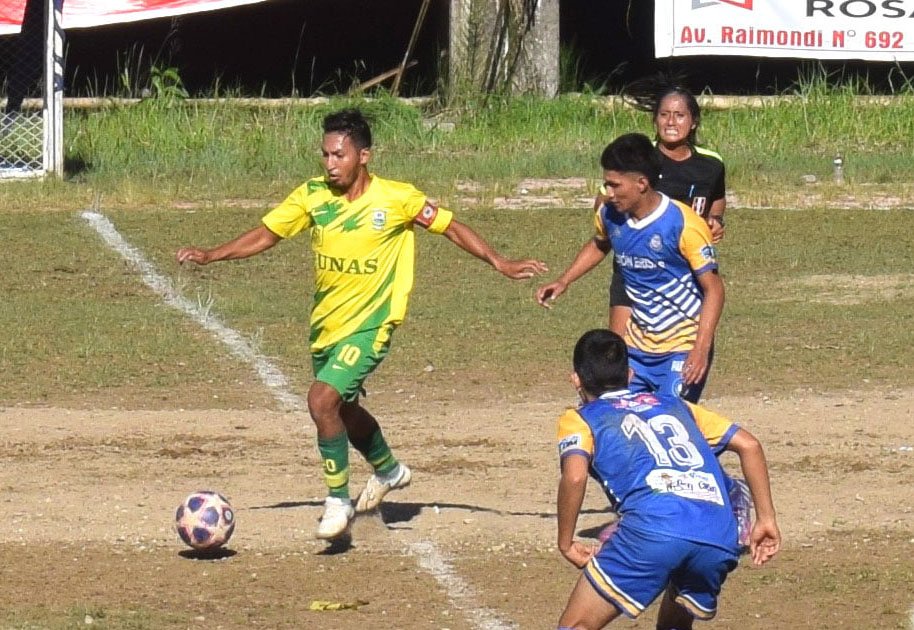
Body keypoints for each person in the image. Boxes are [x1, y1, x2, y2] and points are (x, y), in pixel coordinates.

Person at [176, 108, 547, 540]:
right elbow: (266, 234)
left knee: (321, 400)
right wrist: (210, 254)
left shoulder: (397, 199)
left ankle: (337, 500)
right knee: (342, 410)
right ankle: (389, 470)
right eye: (325, 155)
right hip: (326, 326)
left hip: (372, 324)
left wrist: (499, 261)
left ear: (364, 155)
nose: (330, 164)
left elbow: (451, 227)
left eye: (339, 155)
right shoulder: (312, 196)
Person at [555, 329, 780, 630]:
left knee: (577, 625)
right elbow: (749, 445)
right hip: (718, 532)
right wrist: (765, 519)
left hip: (654, 531)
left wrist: (566, 542)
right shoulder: (677, 405)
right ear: (631, 373)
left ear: (576, 380)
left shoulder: (581, 418)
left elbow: (574, 476)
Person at [536, 132, 724, 403]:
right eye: (605, 185)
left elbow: (714, 289)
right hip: (636, 348)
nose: (608, 194)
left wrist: (701, 349)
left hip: (682, 346)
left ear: (641, 183)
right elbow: (600, 244)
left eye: (614, 186)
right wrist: (564, 280)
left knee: (672, 420)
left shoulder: (684, 224)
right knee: (619, 415)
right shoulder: (610, 215)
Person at [603, 76, 727, 339]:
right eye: (664, 115)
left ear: (693, 122)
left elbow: (717, 196)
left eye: (680, 115)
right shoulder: (639, 159)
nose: (671, 122)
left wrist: (716, 218)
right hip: (634, 265)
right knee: (620, 349)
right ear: (655, 120)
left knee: (683, 342)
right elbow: (608, 194)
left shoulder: (711, 165)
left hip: (683, 270)